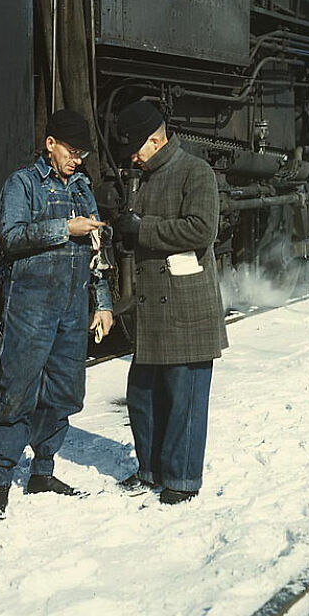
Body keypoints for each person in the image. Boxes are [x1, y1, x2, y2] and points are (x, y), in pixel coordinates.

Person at [0, 109, 114, 519]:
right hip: (30, 309)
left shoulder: (81, 188)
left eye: (84, 154)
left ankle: (42, 472)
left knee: (63, 393)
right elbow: (11, 237)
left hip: (72, 309)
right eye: (73, 152)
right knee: (16, 393)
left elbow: (95, 249)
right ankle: (1, 483)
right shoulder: (21, 184)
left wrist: (104, 302)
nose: (79, 160)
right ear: (50, 144)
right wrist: (63, 229)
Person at [113, 102, 227, 505]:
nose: (132, 156)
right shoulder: (144, 177)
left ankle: (181, 479)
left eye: (137, 148)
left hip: (184, 305)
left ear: (157, 139)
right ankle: (151, 469)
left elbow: (201, 230)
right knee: (143, 395)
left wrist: (142, 229)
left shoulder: (196, 172)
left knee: (185, 399)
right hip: (153, 309)